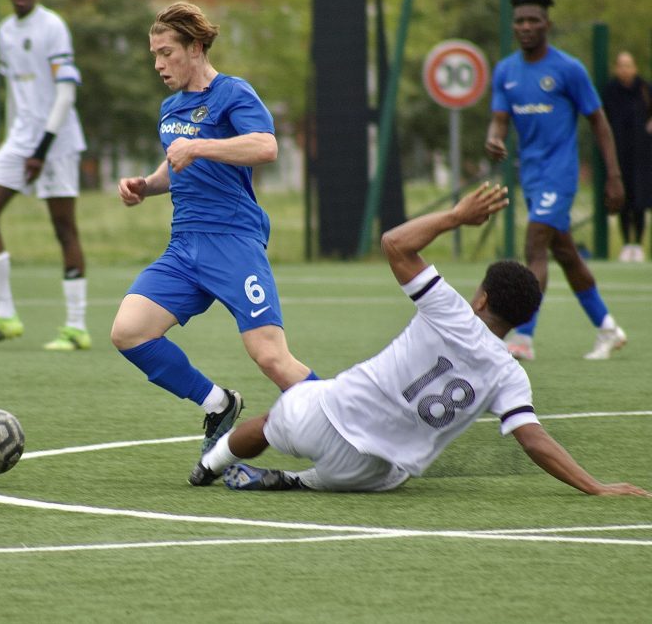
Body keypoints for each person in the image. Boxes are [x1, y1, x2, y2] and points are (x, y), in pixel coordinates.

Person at [188, 183, 649, 499]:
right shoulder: (510, 375)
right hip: (369, 472)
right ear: (525, 319)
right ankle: (296, 481)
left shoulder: (451, 311)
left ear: (481, 297)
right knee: (392, 475)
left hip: (328, 416)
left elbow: (395, 244)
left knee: (274, 419)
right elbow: (534, 441)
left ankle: (211, 463)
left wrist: (455, 215)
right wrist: (595, 485)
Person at [111, 2, 317, 454]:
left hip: (232, 241)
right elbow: (177, 164)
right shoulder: (170, 108)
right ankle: (218, 403)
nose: (159, 64)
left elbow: (266, 147)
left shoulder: (233, 93)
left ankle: (354, 426)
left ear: (196, 47)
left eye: (167, 53)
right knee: (129, 331)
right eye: (154, 56)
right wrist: (146, 186)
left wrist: (199, 147)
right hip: (184, 247)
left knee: (270, 357)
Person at [485, 0, 627, 361]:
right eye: (520, 21)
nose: (526, 26)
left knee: (535, 245)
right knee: (565, 254)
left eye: (534, 20)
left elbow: (599, 122)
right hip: (531, 175)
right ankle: (608, 329)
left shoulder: (569, 69)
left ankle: (523, 338)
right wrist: (493, 139)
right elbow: (499, 122)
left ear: (547, 24)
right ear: (513, 26)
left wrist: (613, 176)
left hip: (560, 174)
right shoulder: (506, 71)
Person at [0, 0, 90, 352]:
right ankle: (5, 317)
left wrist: (41, 148)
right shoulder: (4, 31)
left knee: (64, 228)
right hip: (20, 140)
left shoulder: (52, 26)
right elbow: (16, 96)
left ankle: (76, 327)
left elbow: (66, 94)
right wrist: (15, 140)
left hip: (57, 140)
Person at [602, 51, 652, 263]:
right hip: (619, 153)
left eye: (629, 65)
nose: (625, 69)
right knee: (623, 199)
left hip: (642, 154)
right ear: (616, 68)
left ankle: (638, 244)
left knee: (640, 200)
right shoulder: (610, 91)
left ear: (635, 67)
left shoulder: (645, 89)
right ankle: (626, 245)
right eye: (621, 65)